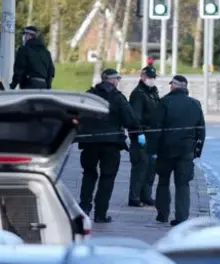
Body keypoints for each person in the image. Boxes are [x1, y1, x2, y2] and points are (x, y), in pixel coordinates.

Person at [77, 68, 142, 223]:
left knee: (88, 175)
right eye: (117, 79)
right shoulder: (118, 98)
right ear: (112, 80)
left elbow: (78, 116)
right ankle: (101, 213)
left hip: (89, 143)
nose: (118, 82)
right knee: (107, 178)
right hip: (111, 145)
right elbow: (130, 120)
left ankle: (84, 208)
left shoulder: (89, 95)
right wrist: (138, 135)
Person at [152, 75, 205, 226]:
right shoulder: (195, 104)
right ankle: (181, 217)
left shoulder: (164, 102)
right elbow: (201, 129)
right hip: (186, 151)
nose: (170, 87)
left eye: (171, 84)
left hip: (165, 150)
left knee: (163, 182)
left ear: (174, 86)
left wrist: (153, 149)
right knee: (183, 184)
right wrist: (197, 151)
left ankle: (162, 214)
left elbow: (156, 128)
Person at [127, 64, 160, 207]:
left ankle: (146, 195)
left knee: (151, 169)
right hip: (142, 136)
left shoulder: (153, 92)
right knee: (140, 168)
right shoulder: (138, 94)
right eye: (148, 77)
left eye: (153, 77)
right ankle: (134, 198)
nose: (151, 79)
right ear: (142, 77)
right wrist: (139, 134)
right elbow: (135, 118)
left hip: (152, 136)